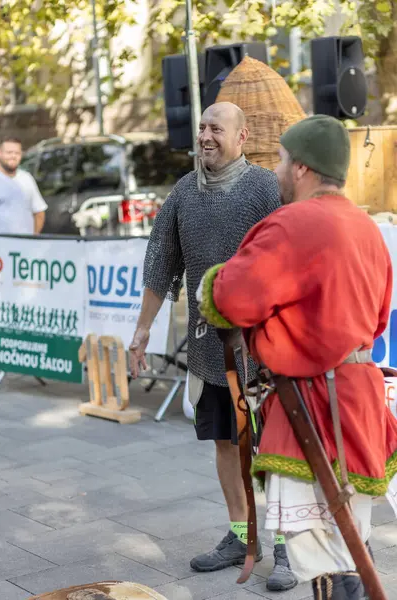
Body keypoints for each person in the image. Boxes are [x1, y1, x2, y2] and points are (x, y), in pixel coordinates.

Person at [197, 114, 397, 599]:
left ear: (303, 167)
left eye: (284, 160)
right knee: (348, 544)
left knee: (326, 554)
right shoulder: (365, 225)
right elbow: (375, 321)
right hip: (357, 400)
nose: (279, 169)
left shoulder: (294, 222)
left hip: (314, 407)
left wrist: (214, 280)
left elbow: (231, 298)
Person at [129, 101, 298, 591]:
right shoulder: (183, 194)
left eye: (215, 129)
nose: (205, 136)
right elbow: (162, 268)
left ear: (242, 138)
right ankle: (243, 536)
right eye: (201, 127)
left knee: (275, 449)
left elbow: (292, 263)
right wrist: (142, 332)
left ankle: (287, 545)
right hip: (209, 349)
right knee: (226, 443)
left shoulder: (267, 189)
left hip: (264, 349)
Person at [0, 136, 47, 234]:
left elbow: (39, 212)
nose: (13, 156)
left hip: (24, 245)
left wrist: (32, 238)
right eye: (9, 152)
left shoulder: (26, 178)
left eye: (17, 153)